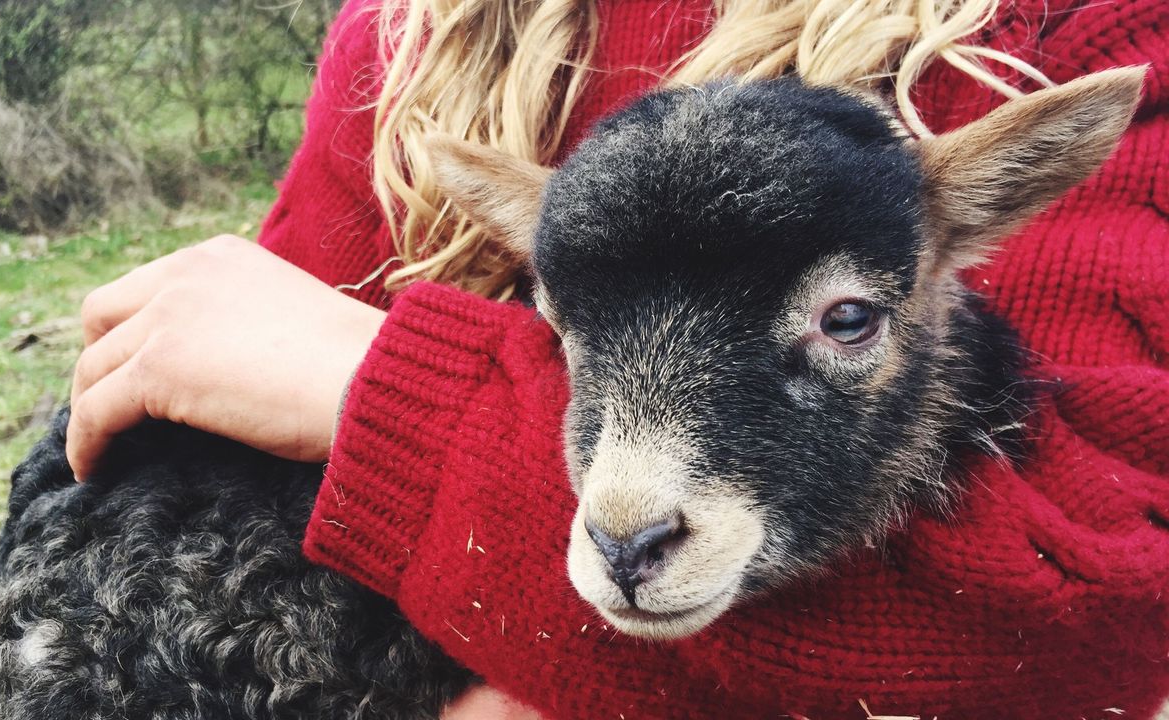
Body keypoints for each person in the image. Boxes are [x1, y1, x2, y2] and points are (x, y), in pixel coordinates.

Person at [65, 0, 1169, 717]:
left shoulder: (1051, 32)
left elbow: (1107, 615)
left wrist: (379, 393)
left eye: (837, 321)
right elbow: (226, 453)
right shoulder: (405, 34)